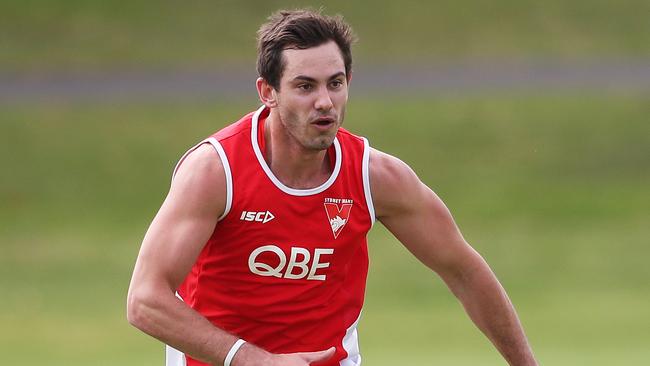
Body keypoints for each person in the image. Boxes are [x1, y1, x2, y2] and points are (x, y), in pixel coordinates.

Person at [127, 9, 538, 366]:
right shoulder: (216, 172)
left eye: (335, 83)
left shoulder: (374, 177)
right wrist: (250, 358)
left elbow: (464, 271)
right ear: (268, 92)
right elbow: (145, 300)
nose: (324, 101)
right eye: (305, 86)